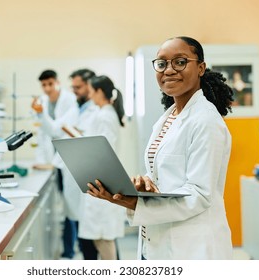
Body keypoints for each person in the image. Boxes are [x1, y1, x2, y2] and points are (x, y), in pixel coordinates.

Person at [87, 36, 235, 260]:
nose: (169, 70)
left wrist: (137, 202)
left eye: (180, 62)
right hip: (159, 241)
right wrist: (143, 185)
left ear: (201, 68)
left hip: (193, 247)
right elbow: (166, 173)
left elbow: (200, 195)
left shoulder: (206, 121)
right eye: (162, 63)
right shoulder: (168, 118)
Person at [32, 68, 99, 259]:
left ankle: (76, 251)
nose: (75, 90)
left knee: (89, 222)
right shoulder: (77, 107)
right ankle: (74, 252)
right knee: (76, 214)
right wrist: (40, 113)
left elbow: (90, 139)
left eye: (78, 87)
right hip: (66, 164)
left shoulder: (87, 107)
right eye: (74, 87)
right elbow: (54, 130)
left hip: (83, 168)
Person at [77, 75, 126, 260]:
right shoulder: (103, 113)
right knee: (100, 239)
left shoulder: (105, 115)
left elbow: (106, 151)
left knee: (104, 240)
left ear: (99, 92)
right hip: (98, 181)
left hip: (102, 183)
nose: (89, 95)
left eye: (91, 91)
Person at [31, 69, 77, 259]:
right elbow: (41, 135)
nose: (47, 88)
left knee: (70, 205)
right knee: (66, 206)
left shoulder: (69, 101)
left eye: (50, 83)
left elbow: (58, 131)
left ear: (57, 82)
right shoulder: (40, 102)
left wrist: (42, 116)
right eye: (44, 85)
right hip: (54, 162)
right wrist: (43, 162)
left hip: (69, 160)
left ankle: (70, 249)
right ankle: (68, 248)